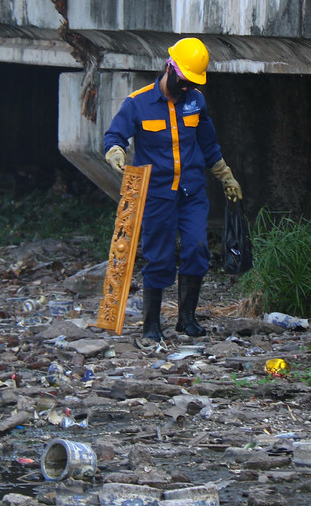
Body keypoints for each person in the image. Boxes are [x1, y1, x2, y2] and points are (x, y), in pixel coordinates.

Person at [103, 38, 243, 343]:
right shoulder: (137, 103)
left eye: (192, 82)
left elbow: (208, 144)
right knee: (159, 257)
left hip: (192, 192)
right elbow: (115, 134)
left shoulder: (196, 101)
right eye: (183, 80)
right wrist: (115, 150)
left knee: (196, 249)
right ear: (170, 67)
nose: (186, 87)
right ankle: (151, 324)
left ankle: (187, 320)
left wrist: (225, 176)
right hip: (157, 195)